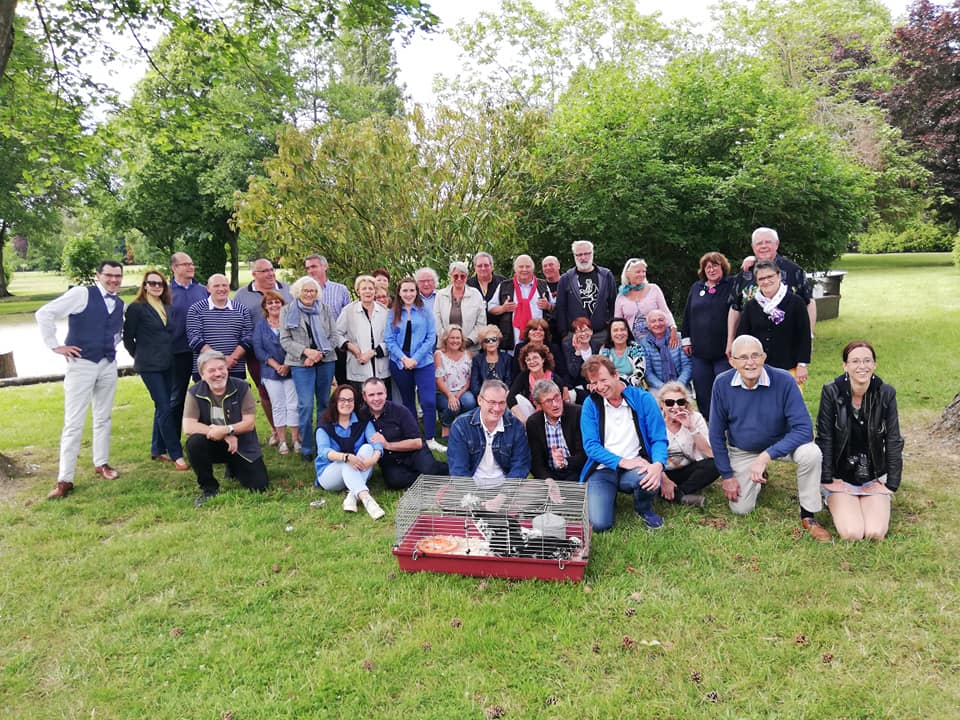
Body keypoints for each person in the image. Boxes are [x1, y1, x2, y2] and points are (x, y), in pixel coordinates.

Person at [708, 335, 830, 541]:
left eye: (755, 355)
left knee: (811, 453)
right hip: (744, 449)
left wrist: (766, 456)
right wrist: (727, 476)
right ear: (732, 361)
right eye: (743, 357)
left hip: (780, 444)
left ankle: (808, 515)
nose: (750, 362)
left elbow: (804, 430)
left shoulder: (783, 380)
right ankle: (758, 477)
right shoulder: (722, 384)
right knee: (741, 509)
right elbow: (716, 434)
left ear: (764, 357)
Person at [37, 260, 125, 499]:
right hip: (82, 364)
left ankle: (102, 463)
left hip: (107, 364)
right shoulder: (81, 294)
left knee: (103, 417)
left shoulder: (119, 304)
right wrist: (56, 346)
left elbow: (116, 333)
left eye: (118, 276)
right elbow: (45, 313)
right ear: (98, 275)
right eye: (109, 275)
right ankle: (65, 479)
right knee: (74, 422)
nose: (114, 280)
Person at [816, 341, 904, 541]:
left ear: (874, 365)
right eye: (855, 361)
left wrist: (890, 484)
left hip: (873, 475)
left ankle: (867, 501)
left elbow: (893, 439)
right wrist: (828, 479)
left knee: (874, 533)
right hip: (841, 476)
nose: (861, 366)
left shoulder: (886, 393)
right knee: (852, 533)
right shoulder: (831, 391)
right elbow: (825, 437)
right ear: (845, 366)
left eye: (867, 360)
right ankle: (834, 500)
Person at [579, 356, 668, 531]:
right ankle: (606, 497)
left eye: (604, 380)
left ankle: (643, 508)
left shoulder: (643, 399)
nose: (600, 387)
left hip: (636, 466)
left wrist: (658, 464)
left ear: (616, 374)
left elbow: (658, 438)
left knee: (649, 476)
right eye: (594, 382)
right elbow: (591, 446)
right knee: (599, 524)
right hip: (602, 469)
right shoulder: (590, 404)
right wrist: (623, 462)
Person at [183, 350, 269, 506]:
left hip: (241, 444)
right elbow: (188, 426)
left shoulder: (242, 387)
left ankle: (233, 467)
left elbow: (249, 424)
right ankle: (209, 488)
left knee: (259, 486)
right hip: (213, 442)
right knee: (194, 442)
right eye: (212, 370)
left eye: (221, 368)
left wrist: (227, 429)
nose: (218, 373)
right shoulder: (194, 392)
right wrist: (223, 434)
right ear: (202, 375)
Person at [122, 269, 189, 470]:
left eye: (160, 283)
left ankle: (157, 448)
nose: (156, 287)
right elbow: (128, 338)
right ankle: (176, 454)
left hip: (168, 363)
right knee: (166, 407)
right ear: (144, 286)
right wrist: (140, 356)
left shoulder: (166, 306)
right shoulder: (136, 308)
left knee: (162, 406)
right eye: (152, 283)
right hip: (149, 366)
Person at [726, 227, 815, 357]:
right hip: (752, 347)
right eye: (759, 243)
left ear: (777, 244)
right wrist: (731, 341)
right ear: (753, 247)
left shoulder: (794, 271)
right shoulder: (745, 273)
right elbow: (735, 308)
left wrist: (809, 336)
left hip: (787, 346)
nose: (763, 246)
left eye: (768, 242)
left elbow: (809, 302)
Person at [280, 276, 340, 462]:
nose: (309, 294)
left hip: (326, 360)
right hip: (300, 363)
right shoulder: (287, 311)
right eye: (305, 290)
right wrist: (306, 353)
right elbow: (285, 340)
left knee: (324, 404)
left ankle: (323, 444)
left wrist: (318, 354)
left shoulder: (325, 309)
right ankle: (307, 447)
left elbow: (334, 336)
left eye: (313, 291)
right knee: (305, 405)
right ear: (298, 292)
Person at [234, 258, 294, 441]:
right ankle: (276, 430)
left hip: (288, 350)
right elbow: (239, 324)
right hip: (257, 353)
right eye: (265, 271)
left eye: (271, 269)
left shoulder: (287, 289)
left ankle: (295, 433)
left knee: (292, 393)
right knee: (266, 392)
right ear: (254, 274)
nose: (270, 273)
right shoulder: (241, 295)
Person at [360, 378, 448, 490]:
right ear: (364, 397)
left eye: (380, 393)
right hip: (390, 460)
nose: (376, 398)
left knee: (429, 469)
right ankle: (426, 479)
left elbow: (417, 443)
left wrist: (388, 445)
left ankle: (444, 470)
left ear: (386, 393)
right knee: (395, 482)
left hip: (413, 453)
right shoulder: (361, 416)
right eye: (371, 395)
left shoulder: (400, 411)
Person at [314, 384, 386, 519]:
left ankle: (352, 496)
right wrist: (346, 457)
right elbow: (323, 451)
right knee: (346, 462)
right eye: (342, 400)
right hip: (329, 475)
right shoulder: (325, 424)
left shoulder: (363, 421)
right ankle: (367, 499)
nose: (346, 403)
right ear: (335, 402)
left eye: (350, 400)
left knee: (368, 448)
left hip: (357, 468)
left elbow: (376, 443)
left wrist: (373, 459)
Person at [736, 259, 811, 387]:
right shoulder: (751, 306)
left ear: (779, 276)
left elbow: (804, 335)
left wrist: (802, 364)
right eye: (761, 279)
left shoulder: (795, 302)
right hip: (758, 370)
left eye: (770, 276)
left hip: (789, 368)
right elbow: (743, 337)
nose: (766, 281)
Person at [447, 379, 531, 486]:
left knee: (536, 492)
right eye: (492, 402)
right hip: (472, 486)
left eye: (501, 403)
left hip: (505, 485)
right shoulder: (460, 425)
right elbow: (459, 469)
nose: (497, 408)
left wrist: (504, 495)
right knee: (442, 497)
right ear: (480, 400)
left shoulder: (516, 426)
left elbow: (520, 465)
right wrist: (472, 498)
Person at [384, 277, 438, 443]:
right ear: (399, 293)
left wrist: (415, 358)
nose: (408, 294)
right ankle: (415, 437)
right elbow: (389, 339)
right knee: (408, 401)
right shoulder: (393, 314)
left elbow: (431, 338)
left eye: (412, 290)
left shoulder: (425, 312)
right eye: (405, 290)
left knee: (428, 400)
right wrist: (404, 358)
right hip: (400, 362)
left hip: (423, 362)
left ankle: (430, 438)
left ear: (417, 292)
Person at [681, 251, 733, 419]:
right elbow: (687, 315)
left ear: (722, 267)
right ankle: (708, 424)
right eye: (708, 267)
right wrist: (686, 341)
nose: (711, 270)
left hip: (724, 352)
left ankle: (727, 424)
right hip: (699, 352)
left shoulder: (731, 285)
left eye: (715, 266)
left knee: (724, 388)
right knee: (703, 391)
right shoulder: (697, 287)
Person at [252, 290, 300, 454]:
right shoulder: (260, 325)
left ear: (282, 303)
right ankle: (282, 441)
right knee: (278, 406)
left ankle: (295, 439)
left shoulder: (290, 322)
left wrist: (286, 365)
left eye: (277, 302)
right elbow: (258, 349)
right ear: (265, 306)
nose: (274, 305)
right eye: (270, 302)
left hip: (292, 369)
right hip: (270, 372)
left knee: (293, 405)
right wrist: (276, 366)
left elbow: (296, 343)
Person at [657, 382, 718, 507]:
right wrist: (664, 480)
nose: (675, 406)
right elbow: (647, 455)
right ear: (662, 405)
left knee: (716, 464)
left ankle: (678, 493)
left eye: (680, 402)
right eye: (669, 402)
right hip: (661, 472)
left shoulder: (695, 418)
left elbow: (709, 453)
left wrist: (691, 427)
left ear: (686, 404)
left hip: (687, 469)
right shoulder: (655, 421)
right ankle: (681, 497)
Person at [168, 252, 208, 436]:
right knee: (176, 398)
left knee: (205, 395)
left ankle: (204, 436)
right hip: (178, 352)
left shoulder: (202, 290)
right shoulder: (166, 292)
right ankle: (173, 441)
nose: (191, 267)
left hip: (202, 352)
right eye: (185, 264)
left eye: (192, 264)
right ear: (174, 268)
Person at [186, 273, 254, 380]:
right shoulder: (196, 309)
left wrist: (232, 358)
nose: (221, 289)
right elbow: (194, 338)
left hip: (235, 368)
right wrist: (220, 360)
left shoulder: (241, 309)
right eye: (216, 286)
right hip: (207, 369)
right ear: (208, 288)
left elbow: (248, 337)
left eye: (224, 285)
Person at [337, 274, 391, 398]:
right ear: (358, 291)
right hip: (358, 365)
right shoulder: (348, 311)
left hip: (381, 366)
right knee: (361, 403)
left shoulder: (384, 312)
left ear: (375, 291)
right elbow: (336, 334)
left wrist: (373, 352)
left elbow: (391, 338)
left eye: (371, 288)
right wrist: (351, 347)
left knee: (381, 401)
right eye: (364, 288)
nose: (368, 291)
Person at [554, 240, 617, 341]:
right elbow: (561, 308)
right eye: (579, 254)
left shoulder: (606, 275)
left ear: (592, 254)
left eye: (586, 254)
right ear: (574, 256)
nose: (583, 258)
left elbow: (613, 303)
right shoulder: (566, 279)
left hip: (602, 334)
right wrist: (564, 334)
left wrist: (610, 326)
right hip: (575, 336)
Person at [488, 254, 553, 350]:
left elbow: (555, 307)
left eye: (528, 266)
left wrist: (548, 306)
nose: (524, 269)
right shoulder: (504, 285)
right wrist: (503, 308)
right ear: (515, 269)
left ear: (533, 269)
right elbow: (490, 307)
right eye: (521, 266)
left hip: (538, 339)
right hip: (512, 341)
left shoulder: (543, 285)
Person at [527, 379, 586, 484]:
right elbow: (536, 462)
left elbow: (584, 454)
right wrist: (548, 480)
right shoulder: (533, 423)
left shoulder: (577, 413)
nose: (555, 404)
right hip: (549, 475)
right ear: (538, 404)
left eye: (557, 397)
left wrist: (565, 461)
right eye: (548, 401)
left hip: (576, 471)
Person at [305, 254, 351, 385]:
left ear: (325, 266)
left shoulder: (340, 290)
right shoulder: (303, 292)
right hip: (313, 347)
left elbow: (349, 318)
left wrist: (345, 342)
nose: (310, 271)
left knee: (344, 384)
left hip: (338, 345)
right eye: (307, 268)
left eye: (314, 266)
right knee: (320, 386)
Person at [614, 258, 678, 345]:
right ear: (627, 274)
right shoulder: (621, 296)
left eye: (643, 271)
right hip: (633, 343)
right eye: (638, 272)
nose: (642, 274)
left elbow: (665, 311)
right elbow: (617, 322)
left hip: (657, 339)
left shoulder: (654, 289)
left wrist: (673, 327)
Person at [434, 325, 476, 445]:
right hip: (443, 391)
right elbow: (439, 380)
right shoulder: (439, 354)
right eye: (452, 338)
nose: (455, 341)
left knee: (469, 401)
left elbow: (469, 378)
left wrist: (459, 394)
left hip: (463, 390)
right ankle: (446, 425)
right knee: (453, 406)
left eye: (458, 338)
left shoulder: (468, 354)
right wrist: (450, 396)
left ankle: (463, 427)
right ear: (446, 339)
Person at [434, 261, 486, 348]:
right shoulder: (441, 295)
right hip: (445, 347)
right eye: (455, 276)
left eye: (462, 276)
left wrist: (467, 342)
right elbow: (436, 321)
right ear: (450, 276)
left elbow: (481, 323)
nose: (459, 279)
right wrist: (448, 340)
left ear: (466, 277)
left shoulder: (475, 294)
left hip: (470, 348)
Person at [508, 343, 561, 423]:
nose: (532, 362)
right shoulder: (524, 376)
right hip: (531, 414)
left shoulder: (554, 378)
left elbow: (559, 402)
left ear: (543, 359)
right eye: (528, 359)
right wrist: (524, 421)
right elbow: (510, 397)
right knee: (518, 398)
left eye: (535, 358)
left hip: (551, 412)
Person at [641, 309, 692, 391]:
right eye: (653, 321)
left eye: (661, 320)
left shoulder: (679, 337)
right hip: (657, 387)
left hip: (681, 384)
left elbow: (687, 366)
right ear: (648, 326)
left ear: (667, 322)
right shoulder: (644, 343)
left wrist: (678, 385)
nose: (657, 324)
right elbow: (648, 372)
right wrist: (663, 387)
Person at [561, 317, 601, 404]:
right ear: (574, 334)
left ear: (591, 331)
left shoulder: (597, 346)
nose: (584, 334)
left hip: (596, 383)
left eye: (586, 330)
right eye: (579, 331)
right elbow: (573, 373)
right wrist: (578, 352)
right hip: (578, 386)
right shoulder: (568, 347)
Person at [599, 317, 646, 388]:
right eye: (615, 330)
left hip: (633, 387)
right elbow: (603, 373)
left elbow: (639, 373)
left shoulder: (635, 348)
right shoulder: (605, 350)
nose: (619, 333)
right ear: (610, 334)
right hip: (610, 388)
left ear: (627, 332)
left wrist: (623, 385)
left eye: (622, 329)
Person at [470, 324, 513, 396]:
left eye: (494, 339)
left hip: (503, 395)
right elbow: (475, 385)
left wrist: (501, 394)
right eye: (487, 340)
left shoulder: (507, 358)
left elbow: (509, 381)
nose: (491, 342)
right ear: (483, 344)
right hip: (483, 396)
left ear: (498, 341)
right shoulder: (477, 360)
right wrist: (485, 396)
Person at [467, 251, 505, 324]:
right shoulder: (468, 285)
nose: (483, 268)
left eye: (486, 265)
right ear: (475, 267)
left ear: (492, 266)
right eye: (480, 266)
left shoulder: (502, 282)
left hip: (499, 329)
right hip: (476, 329)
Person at [541, 254, 563, 338]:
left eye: (551, 265)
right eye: (545, 266)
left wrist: (550, 306)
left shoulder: (568, 284)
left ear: (558, 266)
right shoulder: (539, 286)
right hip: (546, 333)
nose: (548, 268)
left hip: (565, 331)